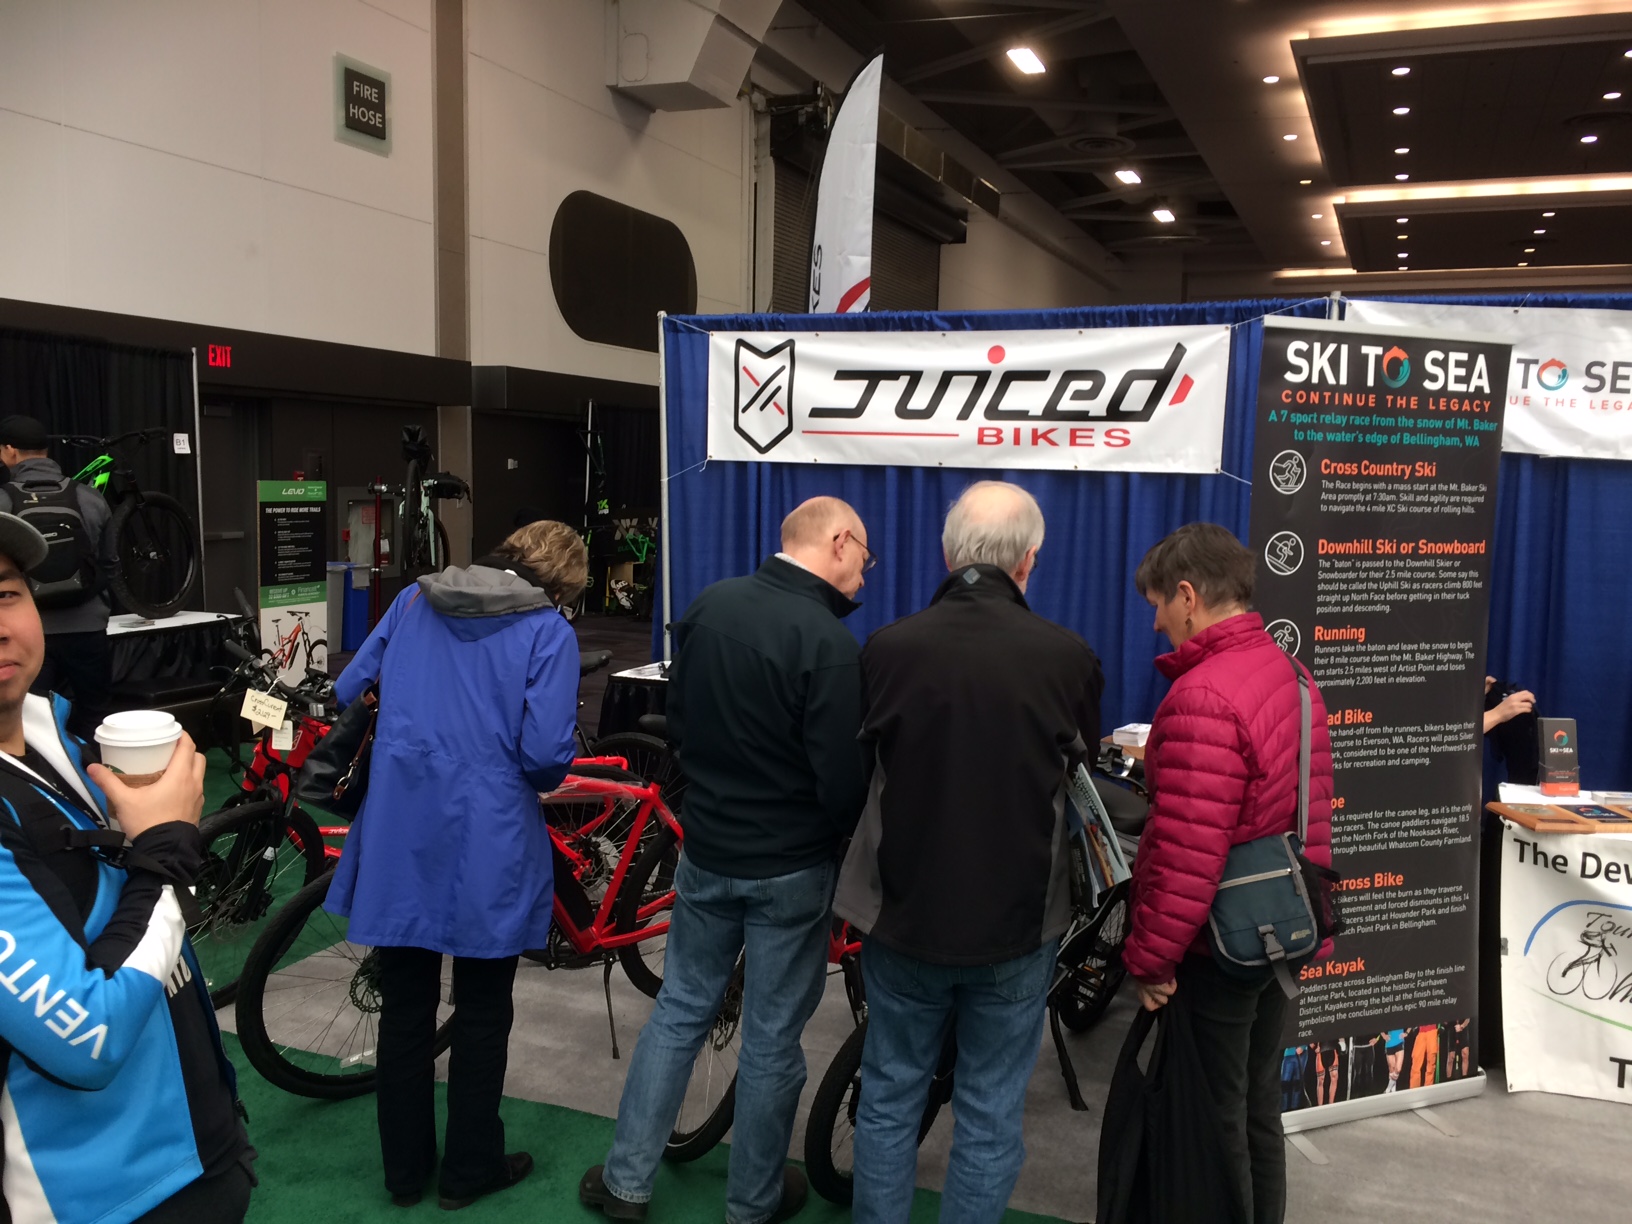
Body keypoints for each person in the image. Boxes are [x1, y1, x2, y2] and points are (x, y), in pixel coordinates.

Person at [581, 497, 873, 1224]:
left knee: (680, 1011)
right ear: (839, 541)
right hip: (791, 867)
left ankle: (625, 1183)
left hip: (707, 850)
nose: (866, 573)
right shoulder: (829, 642)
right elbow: (843, 783)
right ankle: (753, 1204)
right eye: (865, 556)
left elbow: (680, 729)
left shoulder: (710, 607)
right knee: (772, 1038)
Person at [835, 481, 1104, 1224]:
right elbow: (1079, 775)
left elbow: (863, 777)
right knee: (989, 1114)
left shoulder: (888, 649)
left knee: (889, 1098)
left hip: (902, 914)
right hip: (1018, 925)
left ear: (949, 555)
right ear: (1029, 561)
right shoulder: (1067, 658)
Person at [0, 510, 253, 1223]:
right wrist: (166, 850)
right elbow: (88, 1034)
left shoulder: (56, 737)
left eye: (6, 593)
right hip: (101, 1201)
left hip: (192, 1153)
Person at [327, 520, 586, 1210]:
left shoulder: (414, 598)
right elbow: (545, 758)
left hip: (400, 824)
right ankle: (470, 1169)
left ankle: (404, 1171)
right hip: (489, 836)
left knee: (404, 1005)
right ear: (562, 584)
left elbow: (350, 687)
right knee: (482, 1009)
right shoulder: (549, 632)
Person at [1120, 522, 1334, 1224]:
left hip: (1221, 946)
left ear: (1188, 596)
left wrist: (1150, 959)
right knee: (1256, 1106)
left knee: (1215, 1120)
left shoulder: (1202, 697)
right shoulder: (1292, 674)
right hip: (1283, 928)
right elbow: (1310, 818)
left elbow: (1187, 851)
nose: (1157, 622)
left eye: (1159, 604)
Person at [0, 415, 118, 740]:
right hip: (88, 628)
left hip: (31, 633)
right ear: (45, 450)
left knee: (32, 721)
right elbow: (110, 565)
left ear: (10, 451)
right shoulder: (90, 498)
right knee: (96, 714)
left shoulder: (3, 502)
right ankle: (95, 771)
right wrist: (84, 596)